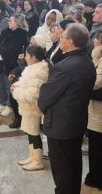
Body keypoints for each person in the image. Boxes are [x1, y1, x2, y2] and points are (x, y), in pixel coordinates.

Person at [38, 23, 96, 194]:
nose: (60, 40)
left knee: (62, 170)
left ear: (70, 42)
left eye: (62, 37)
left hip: (60, 127)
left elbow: (45, 97)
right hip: (77, 122)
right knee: (73, 164)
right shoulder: (88, 62)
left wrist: (40, 104)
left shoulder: (63, 67)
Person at [11, 45, 49, 171]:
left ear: (33, 57)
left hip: (33, 108)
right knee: (30, 133)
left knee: (34, 133)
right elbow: (23, 82)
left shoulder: (39, 71)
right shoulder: (32, 68)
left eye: (26, 55)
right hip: (27, 107)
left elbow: (32, 95)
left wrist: (16, 92)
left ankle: (38, 161)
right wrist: (16, 85)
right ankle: (32, 157)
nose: (25, 57)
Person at [83, 31, 102, 191]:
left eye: (96, 39)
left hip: (99, 111)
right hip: (96, 109)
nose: (94, 41)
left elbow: (95, 82)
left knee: (96, 145)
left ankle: (96, 178)